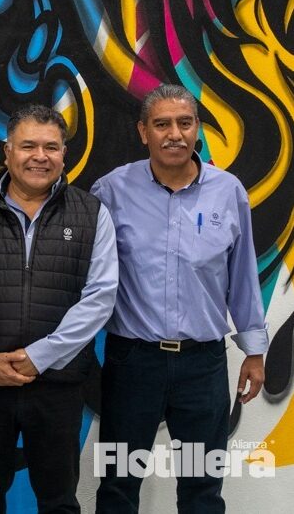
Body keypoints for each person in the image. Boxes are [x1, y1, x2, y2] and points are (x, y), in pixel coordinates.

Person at [92, 84, 267, 513]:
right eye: (162, 124)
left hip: (202, 365)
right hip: (132, 363)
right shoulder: (111, 191)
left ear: (197, 129)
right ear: (143, 132)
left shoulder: (228, 191)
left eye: (185, 123)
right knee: (118, 485)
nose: (175, 134)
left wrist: (254, 351)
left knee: (202, 488)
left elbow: (242, 276)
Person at [0, 104, 118, 514]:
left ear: (63, 154)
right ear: (7, 152)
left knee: (59, 502)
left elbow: (100, 296)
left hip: (57, 387)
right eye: (28, 146)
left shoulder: (92, 214)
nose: (40, 156)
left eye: (51, 147)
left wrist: (40, 356)